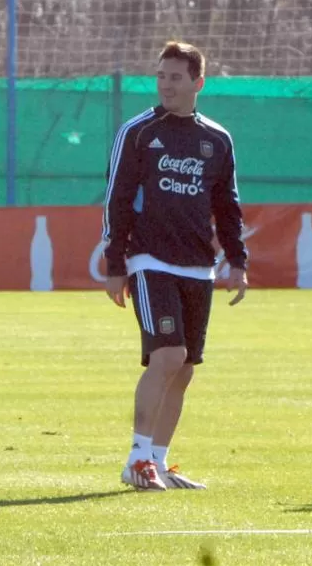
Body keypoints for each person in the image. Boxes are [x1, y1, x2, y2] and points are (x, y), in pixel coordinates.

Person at [102, 41, 248, 492]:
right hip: (150, 260)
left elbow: (228, 205)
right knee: (168, 356)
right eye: (161, 75)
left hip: (198, 267)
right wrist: (116, 263)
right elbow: (118, 197)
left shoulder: (216, 139)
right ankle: (137, 459)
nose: (166, 84)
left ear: (197, 83)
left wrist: (237, 261)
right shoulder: (140, 132)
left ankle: (160, 461)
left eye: (176, 77)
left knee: (184, 369)